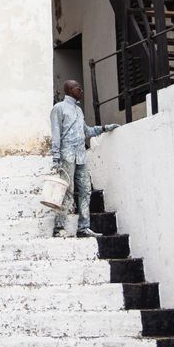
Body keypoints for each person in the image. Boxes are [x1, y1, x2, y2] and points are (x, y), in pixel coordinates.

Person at [50, 79, 120, 238]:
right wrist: (56, 157)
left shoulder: (79, 110)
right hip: (66, 154)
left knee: (86, 190)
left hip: (81, 155)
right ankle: (59, 227)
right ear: (69, 89)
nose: (81, 90)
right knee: (66, 191)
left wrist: (104, 128)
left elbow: (86, 131)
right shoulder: (59, 108)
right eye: (78, 88)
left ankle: (84, 227)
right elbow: (56, 134)